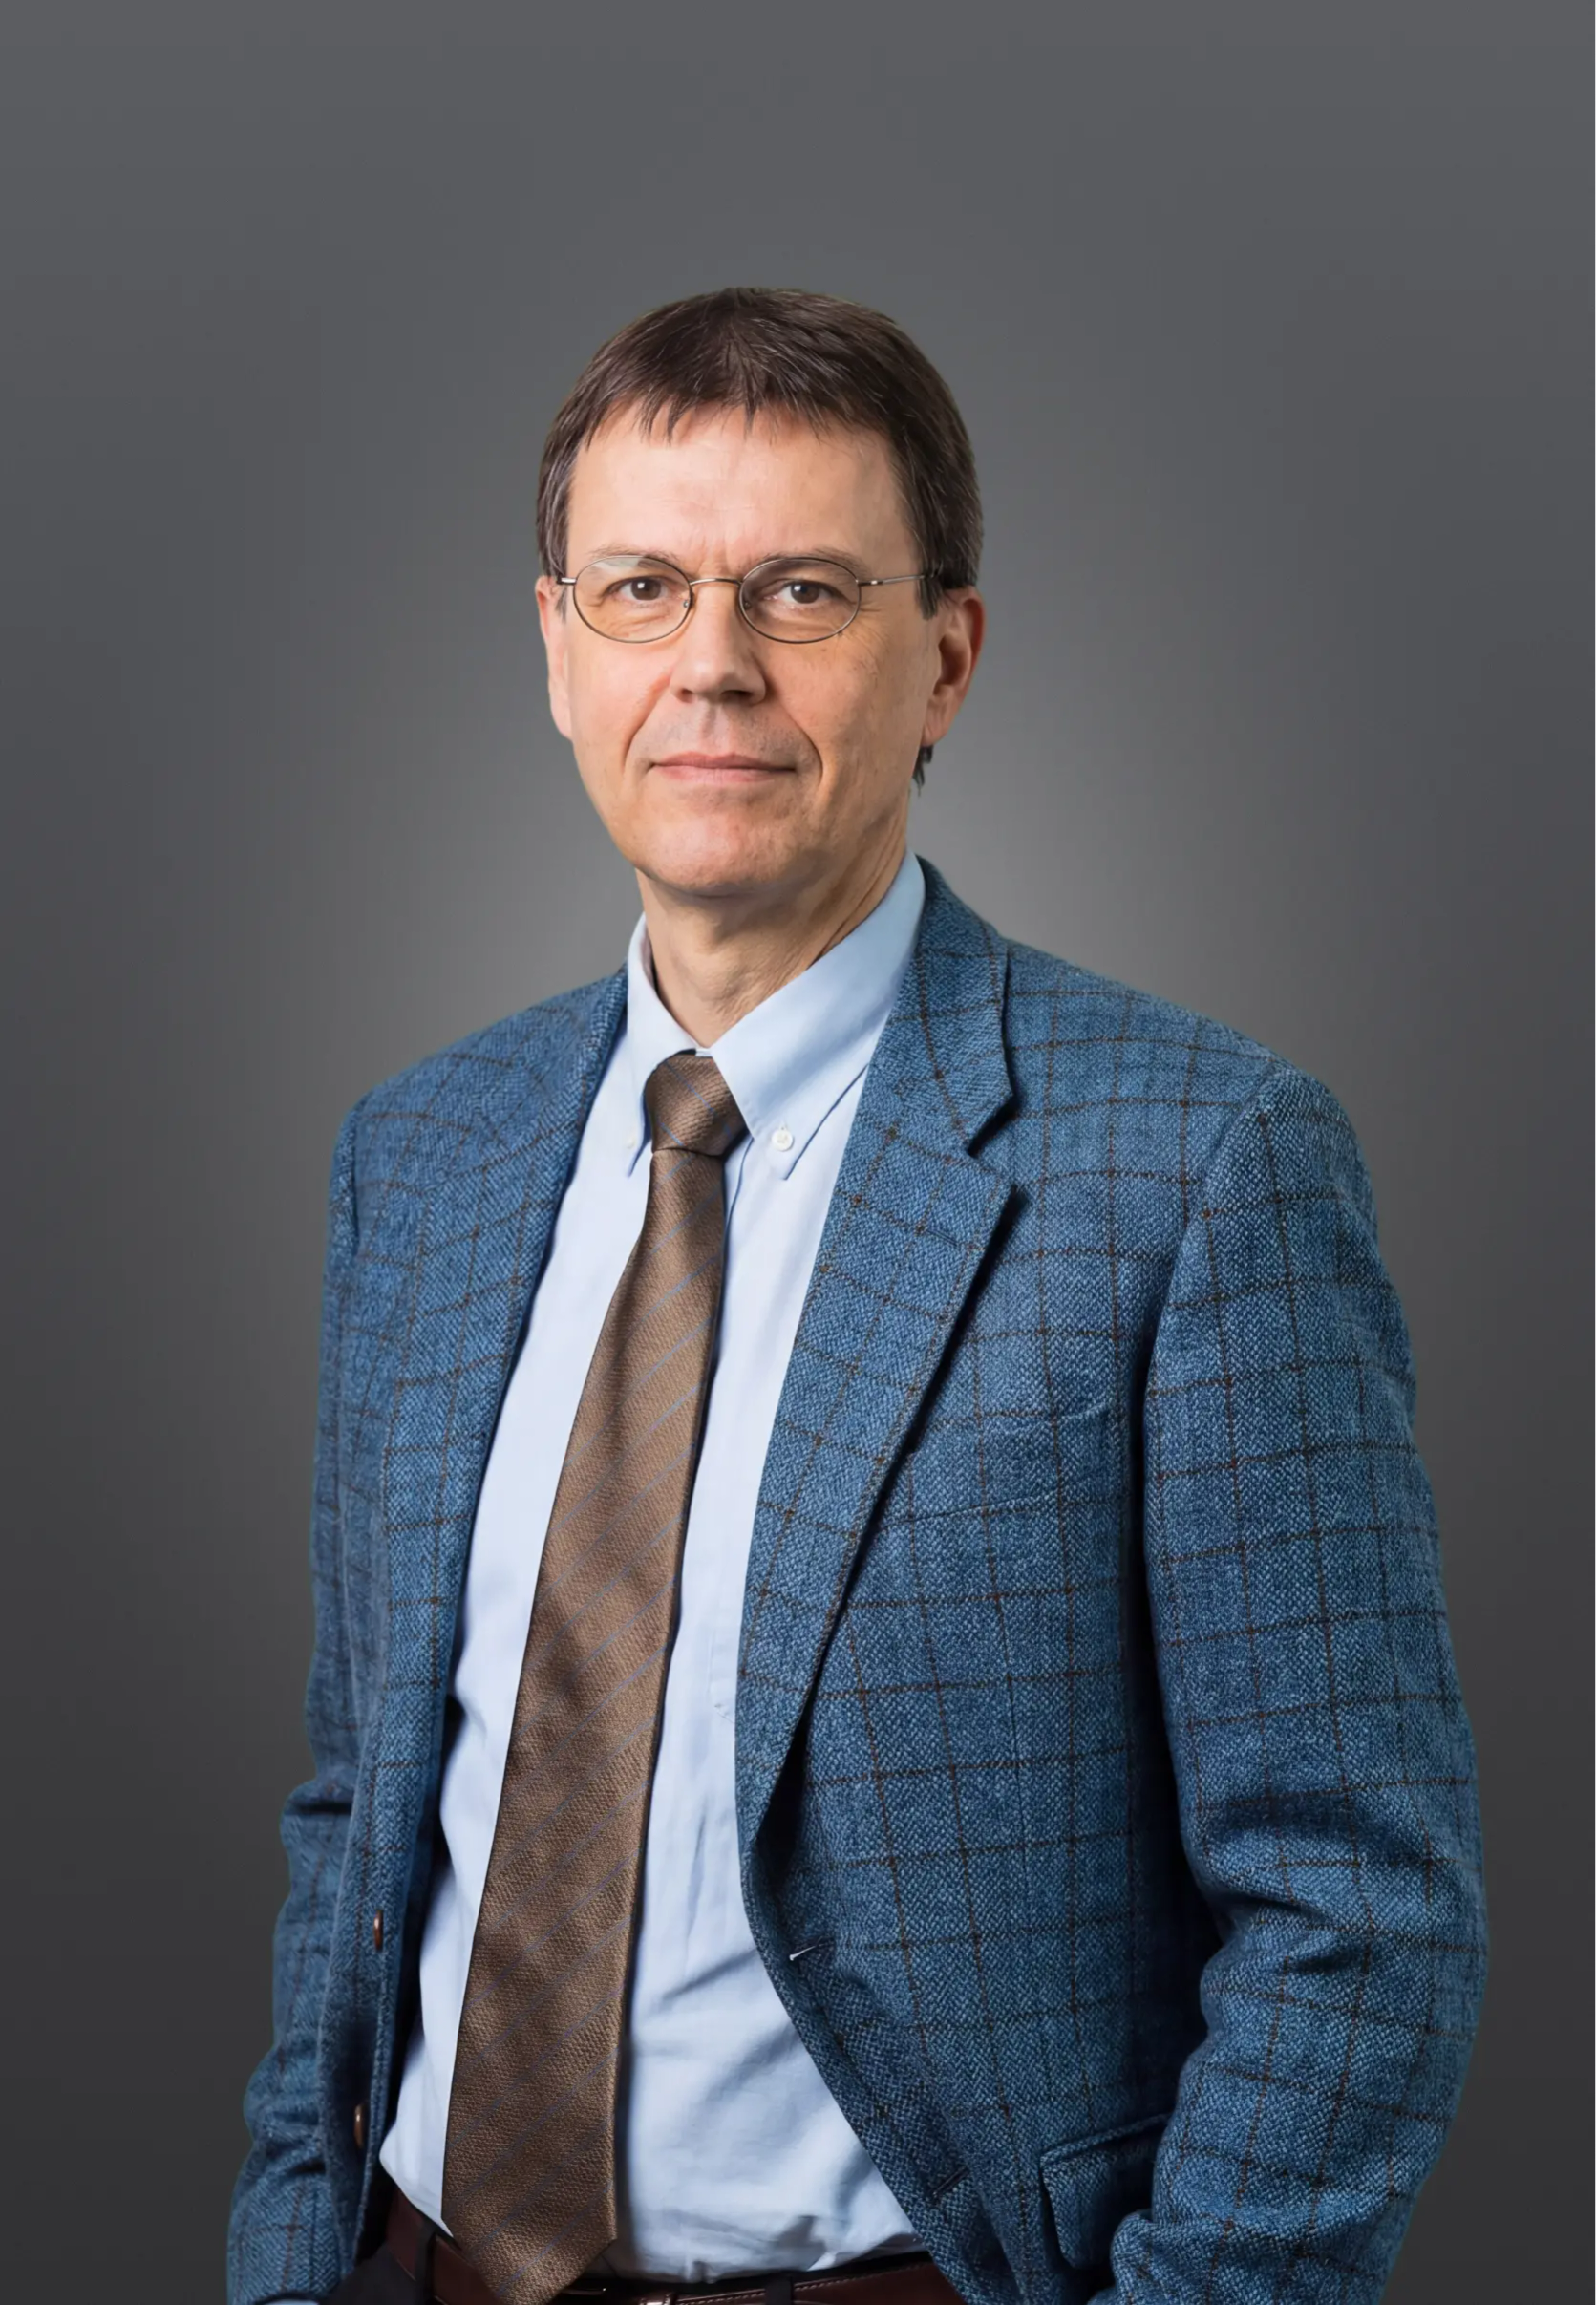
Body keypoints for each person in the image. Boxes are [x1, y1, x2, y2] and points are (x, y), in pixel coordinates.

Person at [228, 288, 1485, 2305]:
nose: (710, 664)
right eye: (642, 589)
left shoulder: (1197, 1165)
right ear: (556, 649)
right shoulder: (422, 1158)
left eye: (801, 592)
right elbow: (359, 1800)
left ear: (945, 661)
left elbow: (1355, 1910)